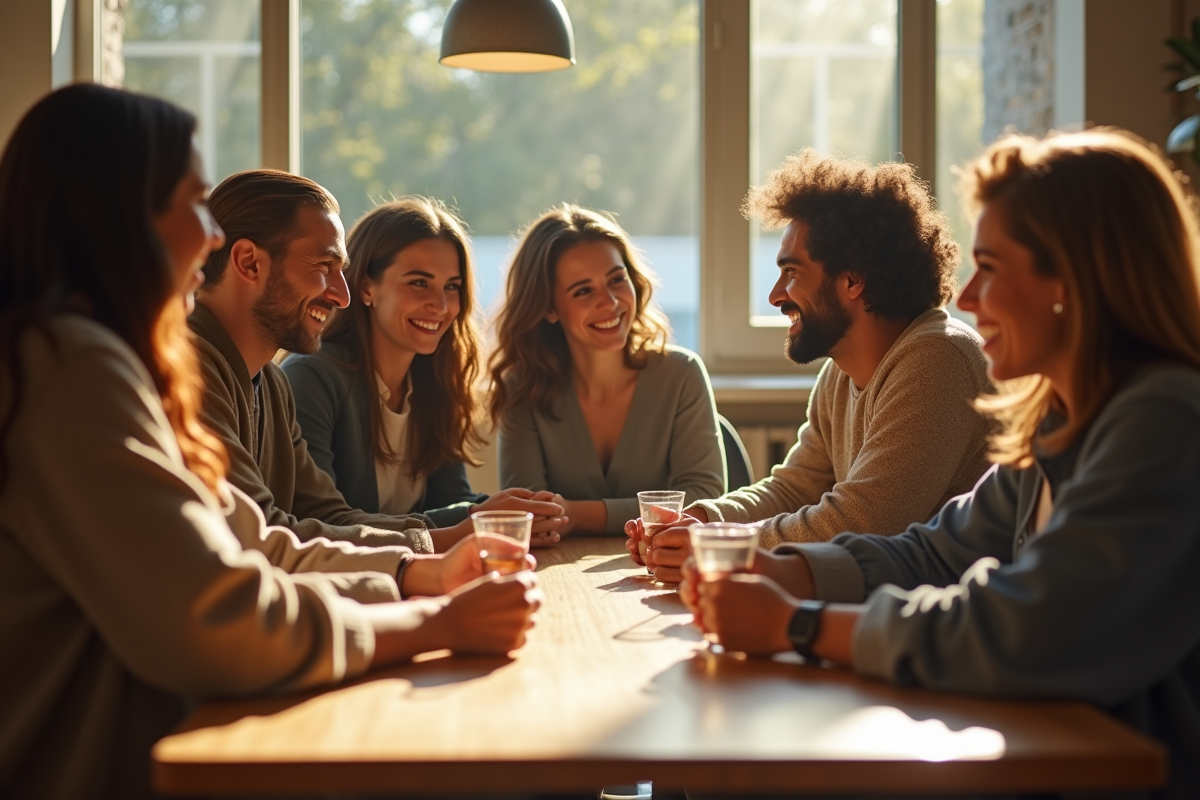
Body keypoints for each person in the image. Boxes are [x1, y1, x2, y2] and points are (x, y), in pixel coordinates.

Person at [0, 84, 540, 800]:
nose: (213, 234)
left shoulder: (126, 364)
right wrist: (431, 616)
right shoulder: (69, 368)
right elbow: (213, 616)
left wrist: (421, 575)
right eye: (194, 203)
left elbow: (252, 543)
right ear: (119, 216)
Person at [684, 129, 1200, 797]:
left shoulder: (1165, 419)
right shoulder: (1055, 418)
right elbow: (934, 553)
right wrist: (789, 568)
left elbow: (1026, 628)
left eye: (992, 267)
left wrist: (799, 622)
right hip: (1030, 750)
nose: (967, 297)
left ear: (1072, 280)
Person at [634, 150, 993, 582]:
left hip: (940, 624)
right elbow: (794, 488)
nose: (775, 295)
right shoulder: (840, 370)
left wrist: (720, 544)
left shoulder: (938, 360)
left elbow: (866, 521)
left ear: (853, 280)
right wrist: (701, 520)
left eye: (791, 272)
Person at [193, 170, 565, 553]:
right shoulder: (194, 369)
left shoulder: (269, 383)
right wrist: (455, 537)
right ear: (249, 263)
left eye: (451, 287)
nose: (342, 295)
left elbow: (330, 516)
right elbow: (264, 533)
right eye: (324, 267)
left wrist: (482, 521)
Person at [281, 197, 560, 542]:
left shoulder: (435, 379)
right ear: (367, 286)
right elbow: (322, 523)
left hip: (417, 576)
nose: (440, 306)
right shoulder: (311, 377)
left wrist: (515, 513)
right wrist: (472, 519)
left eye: (452, 287)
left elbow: (449, 501)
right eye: (418, 283)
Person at [489, 204, 725, 536]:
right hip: (560, 573)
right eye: (583, 291)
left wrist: (578, 514)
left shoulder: (682, 374)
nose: (611, 303)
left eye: (616, 279)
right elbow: (530, 515)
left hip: (662, 565)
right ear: (549, 308)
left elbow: (705, 500)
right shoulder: (522, 388)